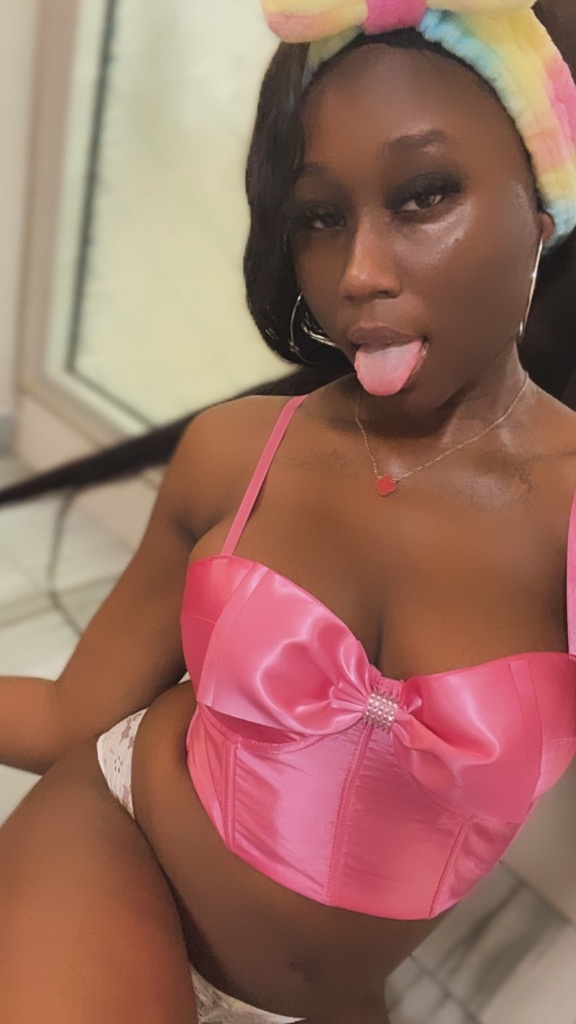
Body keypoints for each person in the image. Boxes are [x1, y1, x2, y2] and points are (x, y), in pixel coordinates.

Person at [2, 1, 576, 1021]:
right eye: (319, 216)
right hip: (113, 837)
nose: (359, 273)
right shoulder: (235, 452)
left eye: (425, 195)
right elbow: (68, 718)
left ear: (541, 209)